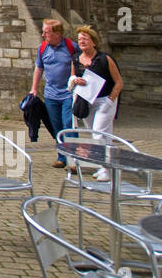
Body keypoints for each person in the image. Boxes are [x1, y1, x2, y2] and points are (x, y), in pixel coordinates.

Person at [68, 25, 124, 181]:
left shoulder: (105, 59)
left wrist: (110, 100)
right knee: (97, 136)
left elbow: (119, 82)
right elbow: (71, 78)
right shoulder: (75, 59)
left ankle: (106, 170)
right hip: (86, 101)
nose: (82, 41)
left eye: (85, 39)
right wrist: (74, 80)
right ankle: (104, 167)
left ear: (93, 41)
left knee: (99, 134)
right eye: (79, 39)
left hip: (104, 101)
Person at [27, 17, 80, 168]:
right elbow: (39, 68)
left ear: (57, 33)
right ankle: (62, 157)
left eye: (46, 32)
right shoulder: (42, 48)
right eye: (43, 32)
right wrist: (34, 88)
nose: (43, 35)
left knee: (68, 125)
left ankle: (73, 159)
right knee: (56, 127)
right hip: (51, 95)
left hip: (69, 94)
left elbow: (83, 65)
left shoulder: (72, 47)